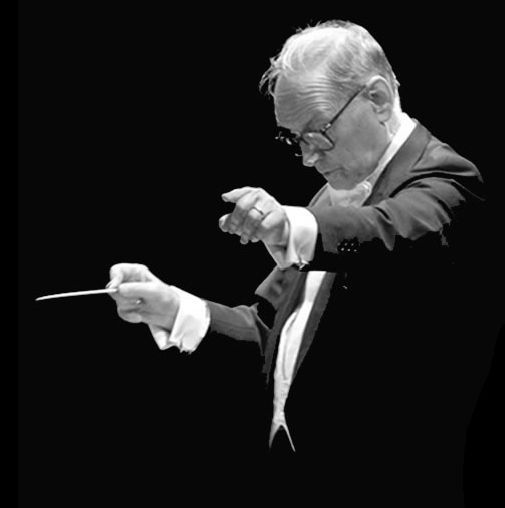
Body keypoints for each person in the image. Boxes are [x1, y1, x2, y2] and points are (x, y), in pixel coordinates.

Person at [107, 20, 491, 506]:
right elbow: (270, 330)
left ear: (377, 98)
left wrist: (290, 226)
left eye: (319, 134)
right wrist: (171, 306)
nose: (308, 158)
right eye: (294, 139)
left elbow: (390, 231)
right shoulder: (330, 197)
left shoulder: (448, 180)